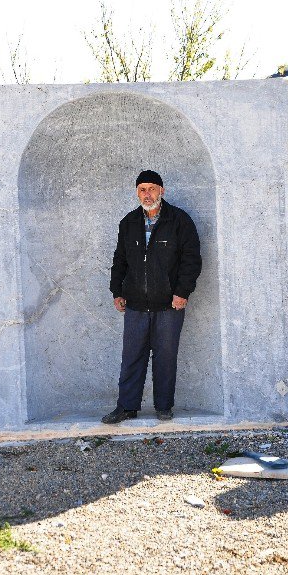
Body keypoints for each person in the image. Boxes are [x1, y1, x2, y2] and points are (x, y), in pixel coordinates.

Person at [102, 170, 202, 424]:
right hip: (135, 303)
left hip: (169, 304)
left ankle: (164, 406)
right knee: (132, 356)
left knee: (165, 357)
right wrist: (117, 291)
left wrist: (182, 292)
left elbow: (192, 260)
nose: (147, 194)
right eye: (142, 189)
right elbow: (120, 260)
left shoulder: (179, 221)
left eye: (152, 189)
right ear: (137, 192)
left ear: (162, 191)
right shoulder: (129, 223)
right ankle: (127, 406)